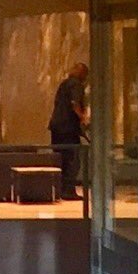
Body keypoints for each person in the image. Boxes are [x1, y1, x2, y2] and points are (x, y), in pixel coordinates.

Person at [48, 62, 89, 202]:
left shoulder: (64, 84)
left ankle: (60, 189)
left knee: (61, 159)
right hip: (68, 128)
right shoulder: (76, 85)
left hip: (57, 127)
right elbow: (75, 104)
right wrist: (83, 119)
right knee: (73, 160)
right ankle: (68, 191)